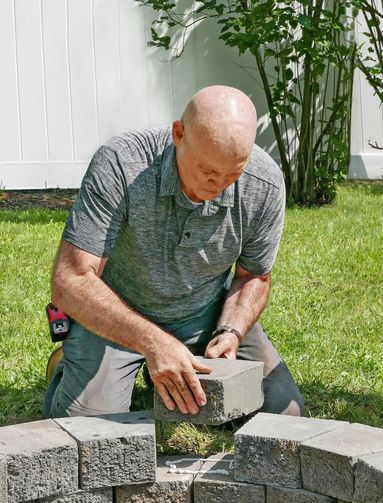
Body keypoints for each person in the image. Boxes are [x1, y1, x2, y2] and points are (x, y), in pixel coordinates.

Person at [44, 85, 305, 418]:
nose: (220, 185)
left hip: (203, 315)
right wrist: (154, 342)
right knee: (90, 429)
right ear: (178, 134)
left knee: (285, 417)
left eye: (234, 172)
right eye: (209, 171)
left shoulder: (263, 182)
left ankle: (173, 371)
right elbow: (71, 279)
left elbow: (254, 276)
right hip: (114, 314)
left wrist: (230, 331)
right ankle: (68, 364)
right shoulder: (122, 164)